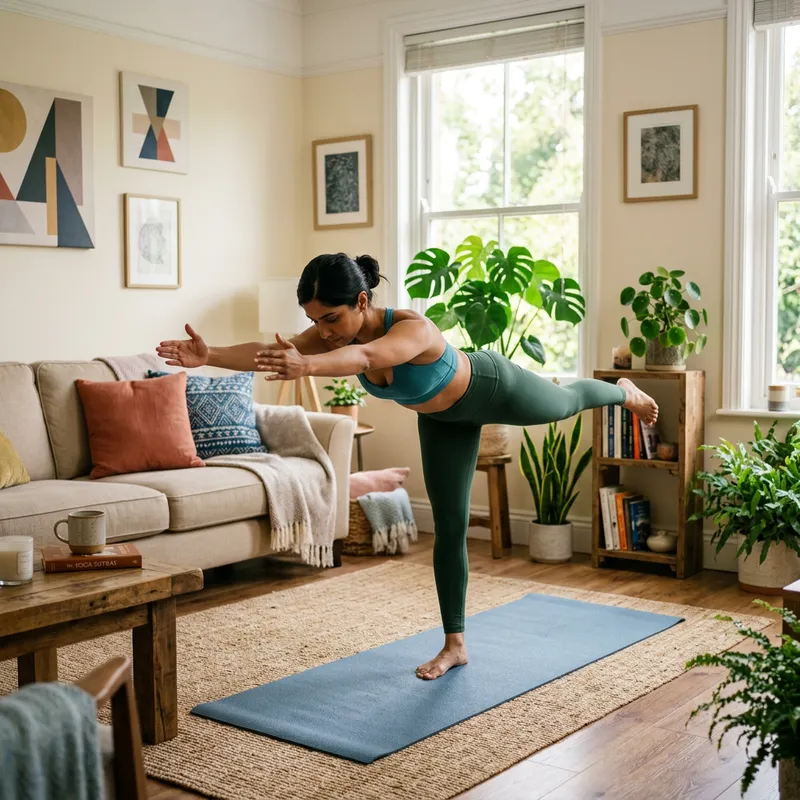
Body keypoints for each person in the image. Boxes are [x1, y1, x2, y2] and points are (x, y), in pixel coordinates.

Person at [156, 253, 658, 681]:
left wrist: (304, 363)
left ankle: (622, 390)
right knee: (449, 528)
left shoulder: (411, 327)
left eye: (330, 319)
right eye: (315, 321)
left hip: (490, 385)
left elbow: (368, 356)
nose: (323, 332)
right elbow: (272, 353)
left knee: (565, 403)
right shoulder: (327, 337)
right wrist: (210, 355)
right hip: (443, 422)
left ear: (360, 301)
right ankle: (455, 644)